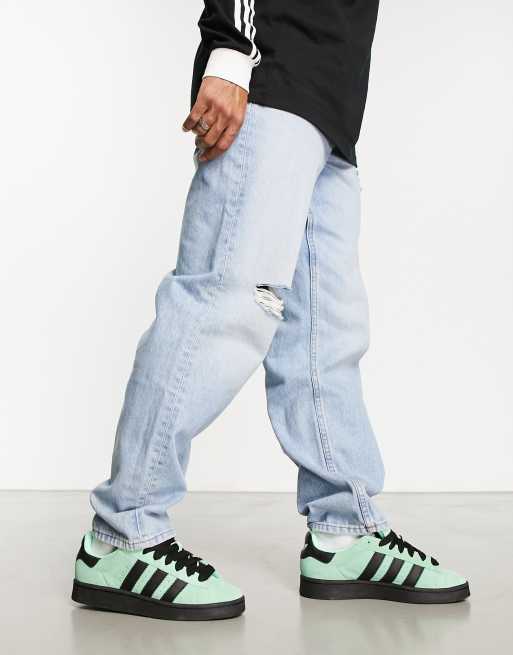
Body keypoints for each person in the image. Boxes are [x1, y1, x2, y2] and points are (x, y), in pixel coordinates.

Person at [71, 1, 469, 620]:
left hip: (331, 108)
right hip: (269, 79)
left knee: (326, 334)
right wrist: (232, 49)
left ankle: (344, 532)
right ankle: (122, 532)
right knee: (219, 307)